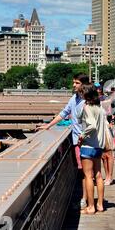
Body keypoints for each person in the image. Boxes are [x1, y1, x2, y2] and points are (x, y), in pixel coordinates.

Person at [37, 73, 90, 209]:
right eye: (74, 82)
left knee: (85, 173)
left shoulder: (88, 101)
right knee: (83, 172)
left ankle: (85, 200)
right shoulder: (74, 98)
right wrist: (49, 125)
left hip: (85, 140)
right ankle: (88, 200)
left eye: (77, 83)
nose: (74, 85)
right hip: (76, 140)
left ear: (83, 85)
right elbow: (64, 113)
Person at [77, 84, 107, 214]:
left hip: (88, 145)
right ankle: (100, 204)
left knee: (88, 176)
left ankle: (91, 206)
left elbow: (92, 125)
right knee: (98, 175)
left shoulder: (88, 107)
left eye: (81, 93)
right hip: (99, 145)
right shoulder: (99, 108)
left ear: (86, 95)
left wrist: (82, 135)